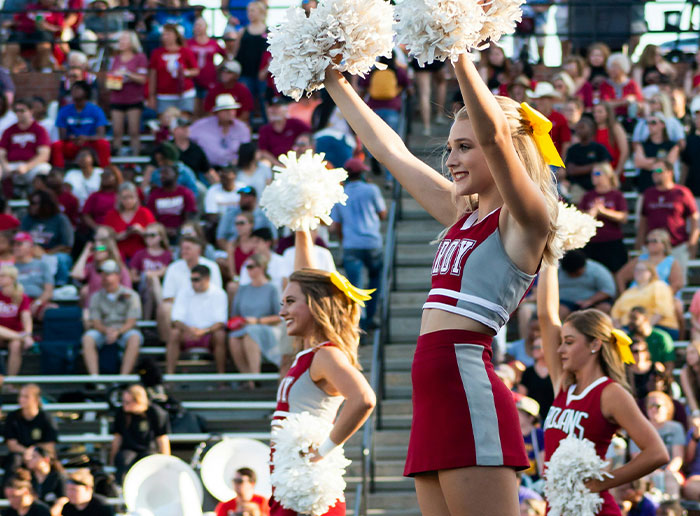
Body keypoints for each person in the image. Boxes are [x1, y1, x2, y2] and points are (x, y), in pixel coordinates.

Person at [323, 46, 564, 513]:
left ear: (508, 151)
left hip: (467, 389)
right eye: (450, 147)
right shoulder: (460, 213)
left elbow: (494, 137)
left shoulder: (526, 219)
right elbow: (389, 150)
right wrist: (332, 79)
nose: (450, 159)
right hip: (431, 395)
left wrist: (453, 47)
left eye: (464, 147)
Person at [536, 264, 668, 516]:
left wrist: (600, 483)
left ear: (595, 344)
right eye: (561, 341)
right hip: (557, 508)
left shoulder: (610, 393)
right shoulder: (564, 384)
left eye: (569, 342)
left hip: (593, 508)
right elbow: (546, 315)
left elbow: (657, 453)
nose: (560, 350)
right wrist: (550, 258)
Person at [272, 229, 376, 514]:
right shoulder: (308, 352)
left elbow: (364, 399)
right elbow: (304, 275)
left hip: (307, 487)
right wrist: (302, 227)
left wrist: (323, 450)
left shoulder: (326, 355)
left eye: (290, 302)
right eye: (282, 303)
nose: (282, 312)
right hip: (290, 478)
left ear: (316, 305)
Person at [330, 158, 387, 329]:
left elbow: (336, 226)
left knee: (354, 286)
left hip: (351, 244)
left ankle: (358, 322)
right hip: (372, 242)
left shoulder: (340, 194)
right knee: (375, 279)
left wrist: (343, 241)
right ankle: (370, 316)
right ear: (362, 173)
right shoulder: (372, 190)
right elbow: (383, 214)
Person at [636, 159, 699, 278]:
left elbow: (694, 220)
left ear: (670, 172)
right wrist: (639, 243)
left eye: (659, 170)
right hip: (652, 247)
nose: (655, 173)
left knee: (677, 284)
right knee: (649, 282)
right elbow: (643, 221)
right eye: (653, 171)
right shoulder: (649, 193)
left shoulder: (682, 192)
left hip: (676, 246)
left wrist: (692, 244)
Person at [81, 259, 142, 375]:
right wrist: (106, 331)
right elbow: (95, 321)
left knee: (135, 337)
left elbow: (132, 321)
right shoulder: (96, 296)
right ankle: (95, 378)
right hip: (103, 330)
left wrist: (118, 332)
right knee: (87, 338)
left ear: (118, 276)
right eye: (103, 274)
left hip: (124, 330)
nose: (105, 277)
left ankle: (124, 377)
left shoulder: (131, 295)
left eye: (108, 274)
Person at [229, 254, 281, 388]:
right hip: (244, 327)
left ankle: (255, 376)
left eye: (251, 266)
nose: (249, 270)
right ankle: (247, 378)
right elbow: (235, 313)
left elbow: (279, 316)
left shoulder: (272, 288)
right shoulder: (243, 289)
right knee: (233, 338)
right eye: (247, 267)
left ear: (262, 267)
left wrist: (257, 321)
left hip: (266, 327)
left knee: (250, 334)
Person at [158, 236, 222, 343]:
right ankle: (169, 343)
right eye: (182, 248)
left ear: (198, 250)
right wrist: (186, 303)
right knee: (164, 308)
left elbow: (216, 294)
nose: (184, 251)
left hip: (206, 307)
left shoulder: (212, 267)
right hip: (181, 308)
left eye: (188, 248)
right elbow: (168, 297)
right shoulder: (173, 267)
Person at [167, 264, 227, 375]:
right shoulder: (183, 292)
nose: (193, 283)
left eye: (196, 279)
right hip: (187, 333)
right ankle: (169, 376)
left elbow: (220, 322)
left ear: (207, 279)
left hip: (209, 335)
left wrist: (203, 331)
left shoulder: (219, 293)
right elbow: (176, 320)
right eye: (191, 279)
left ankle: (221, 377)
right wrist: (189, 330)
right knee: (174, 333)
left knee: (220, 335)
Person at [630, 391, 685, 499]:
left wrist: (667, 472)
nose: (654, 409)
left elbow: (678, 457)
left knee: (671, 479)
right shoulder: (638, 429)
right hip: (646, 470)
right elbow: (636, 457)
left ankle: (672, 509)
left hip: (669, 470)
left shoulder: (676, 428)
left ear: (667, 408)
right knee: (644, 480)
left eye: (658, 406)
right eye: (651, 406)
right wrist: (653, 471)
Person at [110, 384, 170, 484]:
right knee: (123, 460)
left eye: (127, 402)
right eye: (123, 401)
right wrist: (112, 458)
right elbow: (117, 438)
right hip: (128, 448)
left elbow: (162, 439)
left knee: (150, 462)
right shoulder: (121, 413)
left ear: (138, 401)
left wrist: (166, 460)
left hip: (148, 449)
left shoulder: (155, 413)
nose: (124, 404)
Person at [578, 162, 628, 273]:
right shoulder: (588, 196)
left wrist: (604, 212)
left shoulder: (616, 195)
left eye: (597, 173)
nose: (593, 176)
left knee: (616, 272)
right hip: (592, 242)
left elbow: (624, 217)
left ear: (607, 175)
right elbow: (580, 216)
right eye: (592, 173)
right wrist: (592, 213)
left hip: (612, 242)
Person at [20, 190, 74, 286]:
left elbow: (67, 246)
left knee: (61, 258)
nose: (31, 206)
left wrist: (46, 254)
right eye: (30, 203)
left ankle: (61, 286)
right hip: (32, 253)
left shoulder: (60, 219)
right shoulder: (28, 219)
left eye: (34, 203)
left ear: (46, 204)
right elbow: (21, 239)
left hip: (54, 254)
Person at [51, 81, 110, 169]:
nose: (74, 92)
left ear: (86, 92)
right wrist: (72, 138)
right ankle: (58, 171)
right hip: (72, 143)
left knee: (103, 144)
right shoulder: (64, 110)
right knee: (57, 145)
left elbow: (101, 135)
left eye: (77, 89)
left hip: (90, 143)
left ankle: (104, 170)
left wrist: (85, 138)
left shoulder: (96, 110)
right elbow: (62, 136)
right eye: (72, 89)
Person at [611, 261, 678, 338]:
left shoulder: (659, 286)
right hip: (628, 329)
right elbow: (615, 313)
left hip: (656, 327)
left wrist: (644, 328)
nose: (637, 272)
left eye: (641, 270)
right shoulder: (629, 291)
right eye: (636, 270)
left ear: (651, 272)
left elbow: (661, 312)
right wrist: (619, 329)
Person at [108, 31, 148, 157]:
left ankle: (135, 158)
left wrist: (127, 74)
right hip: (117, 98)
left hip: (134, 99)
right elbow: (110, 83)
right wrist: (115, 79)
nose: (121, 42)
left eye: (124, 40)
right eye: (120, 40)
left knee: (134, 131)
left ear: (132, 42)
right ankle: (117, 156)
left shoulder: (140, 57)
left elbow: (142, 79)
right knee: (116, 131)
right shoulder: (115, 58)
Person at [70, 226, 131, 308]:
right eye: (95, 248)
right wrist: (85, 252)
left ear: (108, 250)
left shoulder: (120, 268)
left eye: (101, 248)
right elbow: (75, 274)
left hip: (114, 309)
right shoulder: (91, 267)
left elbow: (127, 293)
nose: (97, 251)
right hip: (94, 310)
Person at [0, 98, 50, 191]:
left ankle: (37, 200)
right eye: (17, 111)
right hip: (11, 166)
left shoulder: (39, 130)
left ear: (31, 111)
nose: (19, 114)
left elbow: (44, 155)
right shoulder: (9, 130)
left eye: (22, 111)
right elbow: (1, 152)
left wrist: (27, 167)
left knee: (44, 169)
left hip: (31, 166)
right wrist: (5, 166)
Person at [189, 93, 251, 168]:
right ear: (217, 112)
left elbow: (246, 150)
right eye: (226, 110)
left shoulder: (242, 128)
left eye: (232, 110)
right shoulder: (201, 126)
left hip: (234, 169)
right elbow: (186, 134)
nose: (230, 113)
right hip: (209, 169)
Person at [147, 23, 198, 114]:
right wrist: (151, 96)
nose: (165, 37)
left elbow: (196, 70)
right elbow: (153, 75)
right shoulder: (157, 53)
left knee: (184, 122)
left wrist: (185, 73)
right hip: (164, 96)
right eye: (164, 35)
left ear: (176, 36)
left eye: (168, 34)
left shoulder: (186, 51)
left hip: (184, 94)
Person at [129, 222, 172, 320]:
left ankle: (146, 321)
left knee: (153, 284)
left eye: (152, 235)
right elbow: (133, 277)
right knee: (151, 283)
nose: (148, 238)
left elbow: (165, 272)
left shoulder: (167, 254)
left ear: (161, 237)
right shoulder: (140, 254)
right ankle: (163, 313)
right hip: (143, 286)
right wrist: (146, 276)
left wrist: (151, 275)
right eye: (146, 235)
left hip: (163, 286)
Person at [103, 182, 154, 263]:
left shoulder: (145, 213)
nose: (128, 201)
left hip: (142, 256)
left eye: (131, 197)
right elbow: (103, 241)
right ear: (119, 198)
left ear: (136, 197)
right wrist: (119, 236)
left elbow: (157, 235)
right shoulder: (111, 215)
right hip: (117, 257)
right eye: (125, 198)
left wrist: (142, 231)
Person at [563, 116, 612, 201]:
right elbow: (571, 170)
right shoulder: (572, 149)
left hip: (599, 188)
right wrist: (594, 166)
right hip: (578, 187)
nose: (579, 130)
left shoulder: (599, 148)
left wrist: (580, 169)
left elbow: (605, 169)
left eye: (582, 127)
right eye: (577, 128)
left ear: (591, 129)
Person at [234, 2, 268, 120]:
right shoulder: (242, 31)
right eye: (249, 11)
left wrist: (265, 70)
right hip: (246, 74)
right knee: (247, 103)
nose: (250, 13)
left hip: (263, 74)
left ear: (261, 12)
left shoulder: (268, 31)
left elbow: (272, 55)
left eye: (253, 10)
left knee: (265, 101)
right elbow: (236, 52)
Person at [558, 250, 616, 318]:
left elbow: (608, 290)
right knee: (557, 311)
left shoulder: (597, 270)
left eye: (576, 273)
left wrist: (590, 301)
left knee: (604, 308)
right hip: (565, 302)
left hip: (593, 302)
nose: (574, 276)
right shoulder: (558, 270)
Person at [4, 385, 57, 460]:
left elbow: (49, 445)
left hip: (41, 455)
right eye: (20, 396)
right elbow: (12, 444)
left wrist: (35, 452)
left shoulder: (46, 417)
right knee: (15, 460)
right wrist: (26, 452)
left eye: (26, 397)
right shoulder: (12, 417)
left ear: (36, 399)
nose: (21, 399)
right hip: (21, 456)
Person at [146, 165, 197, 242]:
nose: (162, 176)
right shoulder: (154, 195)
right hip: (160, 233)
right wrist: (163, 230)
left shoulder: (185, 193)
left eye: (166, 173)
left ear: (175, 175)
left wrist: (178, 230)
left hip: (181, 232)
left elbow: (189, 217)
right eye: (161, 173)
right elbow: (152, 218)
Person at [258, 97, 311, 167]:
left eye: (277, 107)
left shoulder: (296, 123)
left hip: (297, 162)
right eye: (271, 107)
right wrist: (278, 165)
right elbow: (263, 151)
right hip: (274, 164)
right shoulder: (264, 130)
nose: (274, 110)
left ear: (286, 109)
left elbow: (310, 135)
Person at [186, 17, 225, 115]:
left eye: (200, 25)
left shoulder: (213, 43)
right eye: (196, 25)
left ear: (206, 27)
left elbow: (225, 55)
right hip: (193, 80)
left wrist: (218, 67)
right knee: (194, 110)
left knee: (207, 109)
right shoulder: (188, 43)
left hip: (209, 80)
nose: (197, 28)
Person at [633, 113, 680, 193]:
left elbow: (669, 164)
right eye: (648, 123)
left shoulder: (672, 145)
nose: (650, 125)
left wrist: (647, 162)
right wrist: (660, 162)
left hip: (666, 188)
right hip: (646, 187)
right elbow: (638, 163)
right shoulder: (642, 145)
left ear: (662, 125)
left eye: (653, 123)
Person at [0, 265, 33, 377]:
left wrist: (28, 333)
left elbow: (26, 318)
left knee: (15, 345)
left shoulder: (21, 297)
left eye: (3, 276)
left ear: (12, 279)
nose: (0, 278)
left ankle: (11, 382)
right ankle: (22, 337)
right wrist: (25, 337)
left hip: (14, 334)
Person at [13, 232, 53, 320]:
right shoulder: (10, 267)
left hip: (36, 300)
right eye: (14, 244)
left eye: (19, 244)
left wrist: (37, 303)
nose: (15, 247)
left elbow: (48, 291)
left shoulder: (42, 265)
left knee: (51, 310)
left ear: (30, 247)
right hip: (16, 302)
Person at [592, 102, 629, 176]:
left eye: (600, 112)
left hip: (613, 171)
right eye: (595, 112)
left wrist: (618, 171)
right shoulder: (592, 129)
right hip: (597, 172)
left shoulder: (615, 127)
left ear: (608, 113)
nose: (596, 114)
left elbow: (624, 151)